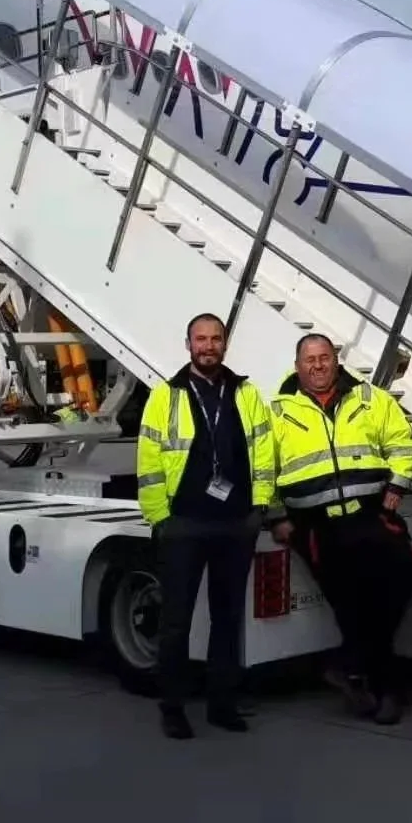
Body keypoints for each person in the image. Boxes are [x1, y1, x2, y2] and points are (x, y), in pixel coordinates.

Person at [135, 312, 278, 740]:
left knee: (227, 619)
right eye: (201, 339)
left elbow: (264, 450)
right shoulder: (167, 395)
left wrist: (259, 509)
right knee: (175, 621)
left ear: (225, 344)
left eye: (216, 339)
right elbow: (148, 459)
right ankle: (173, 706)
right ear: (188, 345)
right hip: (184, 524)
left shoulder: (247, 393)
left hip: (235, 524)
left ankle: (222, 704)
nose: (209, 346)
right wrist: (161, 518)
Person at [266, 333, 412, 725]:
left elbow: (403, 444)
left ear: (336, 360)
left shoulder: (370, 399)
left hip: (371, 512)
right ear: (297, 365)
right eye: (309, 360)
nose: (318, 366)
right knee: (355, 605)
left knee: (403, 575)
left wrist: (397, 486)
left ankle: (350, 665)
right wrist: (277, 517)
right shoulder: (277, 411)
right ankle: (384, 689)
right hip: (316, 524)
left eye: (324, 358)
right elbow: (262, 469)